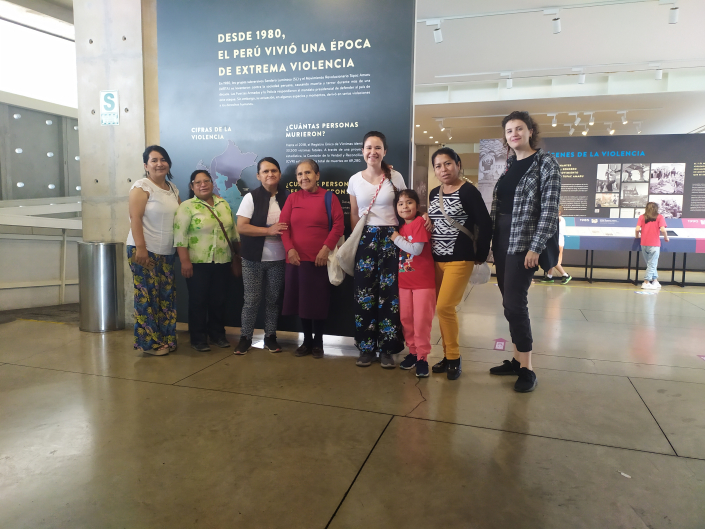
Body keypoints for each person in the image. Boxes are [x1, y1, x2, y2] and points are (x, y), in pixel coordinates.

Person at [488, 111, 561, 393]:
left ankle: (527, 368)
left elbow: (550, 211)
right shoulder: (509, 165)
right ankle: (517, 360)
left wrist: (536, 246)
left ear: (531, 131)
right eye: (509, 130)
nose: (514, 134)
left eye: (519, 128)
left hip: (524, 242)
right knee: (509, 302)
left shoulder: (545, 163)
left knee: (515, 304)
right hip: (502, 239)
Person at [428, 147, 492, 380]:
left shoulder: (468, 191)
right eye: (438, 166)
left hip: (460, 257)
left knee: (445, 307)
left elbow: (485, 223)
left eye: (448, 164)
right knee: (442, 310)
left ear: (458, 164)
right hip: (436, 259)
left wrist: (481, 254)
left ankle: (454, 357)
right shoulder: (434, 193)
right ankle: (447, 355)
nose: (443, 169)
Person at [348, 131, 407, 369]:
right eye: (369, 147)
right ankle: (366, 348)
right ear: (362, 151)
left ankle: (387, 349)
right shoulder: (354, 180)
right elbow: (354, 213)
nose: (373, 152)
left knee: (390, 295)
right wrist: (356, 240)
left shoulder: (396, 177)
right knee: (364, 293)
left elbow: (404, 207)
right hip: (366, 238)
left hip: (392, 239)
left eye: (378, 148)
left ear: (385, 151)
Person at [280, 159, 345, 358]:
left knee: (318, 303)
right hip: (297, 260)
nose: (303, 177)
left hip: (319, 260)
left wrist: (325, 249)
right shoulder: (292, 198)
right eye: (300, 174)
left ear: (317, 175)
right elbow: (283, 227)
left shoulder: (329, 197)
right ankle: (306, 341)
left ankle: (318, 342)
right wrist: (290, 250)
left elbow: (339, 226)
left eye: (307, 173)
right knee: (302, 303)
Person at [174, 170, 239, 352]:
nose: (203, 185)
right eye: (198, 182)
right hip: (197, 262)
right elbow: (179, 236)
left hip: (223, 261)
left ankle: (217, 335)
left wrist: (239, 255)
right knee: (198, 301)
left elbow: (233, 233)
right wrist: (184, 261)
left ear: (212, 183)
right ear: (192, 186)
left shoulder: (223, 204)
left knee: (218, 301)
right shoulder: (186, 207)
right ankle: (198, 338)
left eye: (206, 181)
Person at [126, 145, 180, 355]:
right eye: (154, 160)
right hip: (144, 250)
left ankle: (166, 338)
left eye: (163, 159)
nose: (159, 164)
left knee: (165, 298)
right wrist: (141, 248)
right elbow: (135, 218)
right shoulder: (142, 187)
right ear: (146, 165)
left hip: (167, 252)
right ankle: (149, 344)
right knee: (147, 298)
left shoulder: (172, 188)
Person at [235, 157, 288, 354]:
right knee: (251, 300)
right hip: (252, 258)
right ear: (258, 176)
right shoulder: (251, 197)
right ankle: (245, 338)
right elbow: (241, 227)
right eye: (265, 171)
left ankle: (270, 337)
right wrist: (268, 231)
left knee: (273, 300)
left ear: (279, 174)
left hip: (279, 258)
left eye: (274, 170)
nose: (270, 174)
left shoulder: (288, 197)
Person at [392, 190, 437, 378]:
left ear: (417, 206)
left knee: (421, 321)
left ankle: (422, 357)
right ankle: (412, 352)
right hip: (404, 283)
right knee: (406, 320)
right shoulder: (401, 227)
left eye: (409, 202)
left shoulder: (420, 223)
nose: (405, 207)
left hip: (423, 283)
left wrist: (396, 238)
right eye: (400, 203)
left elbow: (416, 250)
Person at [636, 202, 669, 290]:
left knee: (650, 263)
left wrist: (637, 236)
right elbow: (663, 230)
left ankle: (655, 280)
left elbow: (637, 229)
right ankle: (646, 282)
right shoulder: (659, 217)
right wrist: (666, 238)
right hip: (654, 244)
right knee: (652, 263)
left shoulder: (642, 217)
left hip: (644, 243)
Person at [541, 205, 571, 284]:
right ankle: (549, 276)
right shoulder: (560, 219)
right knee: (551, 259)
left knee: (554, 260)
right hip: (556, 241)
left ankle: (565, 275)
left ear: (559, 212)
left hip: (558, 242)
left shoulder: (559, 219)